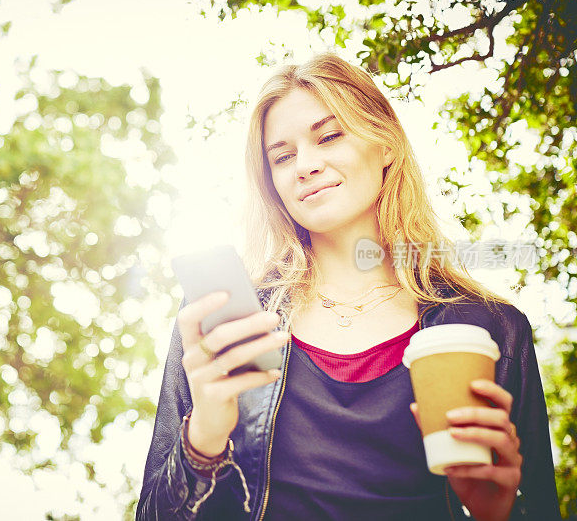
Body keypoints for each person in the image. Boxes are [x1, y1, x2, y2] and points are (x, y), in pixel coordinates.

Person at [135, 53, 560, 520]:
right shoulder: (226, 328)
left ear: (386, 145)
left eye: (330, 136)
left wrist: (497, 513)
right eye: (283, 156)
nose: (305, 166)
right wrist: (204, 440)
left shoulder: (490, 329)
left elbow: (535, 504)